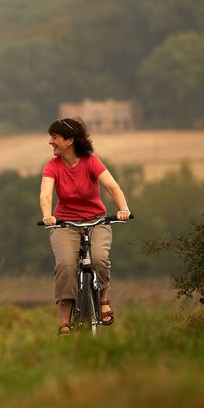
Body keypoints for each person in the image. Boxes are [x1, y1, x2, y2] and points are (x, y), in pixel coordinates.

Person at [39, 117, 131, 336]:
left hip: (96, 220)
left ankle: (104, 299)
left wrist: (124, 209)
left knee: (99, 258)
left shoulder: (90, 161)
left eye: (55, 137)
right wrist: (47, 216)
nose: (51, 142)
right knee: (66, 266)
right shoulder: (53, 166)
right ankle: (64, 321)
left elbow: (112, 187)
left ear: (69, 140)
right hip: (64, 224)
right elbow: (45, 194)